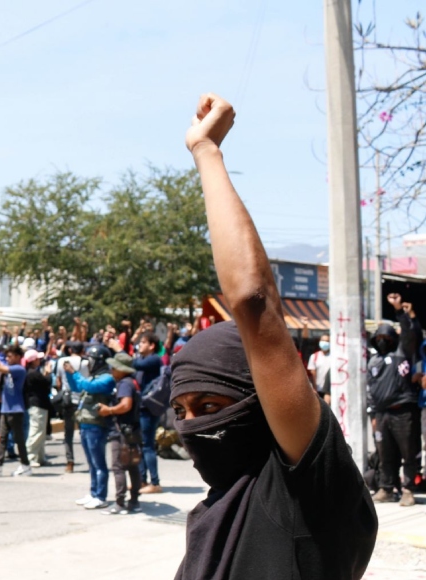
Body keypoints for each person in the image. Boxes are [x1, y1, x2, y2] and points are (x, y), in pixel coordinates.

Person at [172, 93, 376, 579]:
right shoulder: (217, 511)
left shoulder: (306, 496)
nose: (190, 427)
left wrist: (206, 152)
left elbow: (253, 303)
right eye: (182, 412)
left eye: (210, 407)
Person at [367, 321, 419, 507]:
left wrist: (401, 314)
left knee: (409, 452)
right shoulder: (373, 361)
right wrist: (372, 415)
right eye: (379, 338)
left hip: (402, 411)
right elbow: (370, 390)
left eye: (386, 338)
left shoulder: (401, 354)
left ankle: (408, 489)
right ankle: (386, 488)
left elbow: (410, 336)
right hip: (381, 414)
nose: (382, 341)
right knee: (385, 453)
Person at [66, 344, 116, 510]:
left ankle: (101, 496)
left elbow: (88, 387)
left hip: (96, 425)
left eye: (91, 360)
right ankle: (94, 493)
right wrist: (70, 374)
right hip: (86, 423)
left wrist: (75, 373)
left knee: (99, 463)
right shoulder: (94, 377)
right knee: (91, 463)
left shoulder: (106, 378)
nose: (89, 364)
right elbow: (77, 387)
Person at [0, 343, 32, 477]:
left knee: (19, 439)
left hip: (16, 409)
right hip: (6, 407)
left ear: (17, 357)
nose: (8, 359)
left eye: (10, 356)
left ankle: (25, 464)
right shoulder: (10, 368)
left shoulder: (19, 369)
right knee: (2, 437)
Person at [100, 353, 141, 515]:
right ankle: (134, 501)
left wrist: (108, 410)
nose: (111, 370)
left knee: (119, 466)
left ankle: (120, 502)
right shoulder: (132, 382)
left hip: (122, 431)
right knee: (132, 465)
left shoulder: (124, 384)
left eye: (114, 367)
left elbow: (125, 405)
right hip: (133, 430)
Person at [134, 333, 165, 494]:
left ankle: (155, 482)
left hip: (148, 408)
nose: (140, 344)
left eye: (143, 342)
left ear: (152, 345)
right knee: (142, 444)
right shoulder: (146, 360)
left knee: (147, 445)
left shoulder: (153, 359)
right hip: (143, 407)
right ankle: (142, 480)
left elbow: (136, 364)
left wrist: (119, 349)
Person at [56, 341, 86, 473]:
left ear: (69, 350)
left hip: (67, 400)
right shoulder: (85, 363)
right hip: (82, 400)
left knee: (68, 433)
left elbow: (58, 382)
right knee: (85, 431)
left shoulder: (61, 361)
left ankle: (70, 462)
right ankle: (91, 459)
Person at [22, 350, 52, 467]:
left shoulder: (30, 373)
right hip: (37, 404)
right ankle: (30, 456)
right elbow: (46, 384)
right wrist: (48, 373)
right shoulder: (33, 373)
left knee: (41, 432)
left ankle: (40, 457)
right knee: (36, 431)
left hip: (36, 404)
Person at [307, 334, 331, 403]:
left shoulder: (334, 356)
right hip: (318, 389)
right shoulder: (314, 356)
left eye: (327, 341)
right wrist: (314, 389)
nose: (325, 343)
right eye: (323, 340)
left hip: (330, 390)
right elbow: (312, 373)